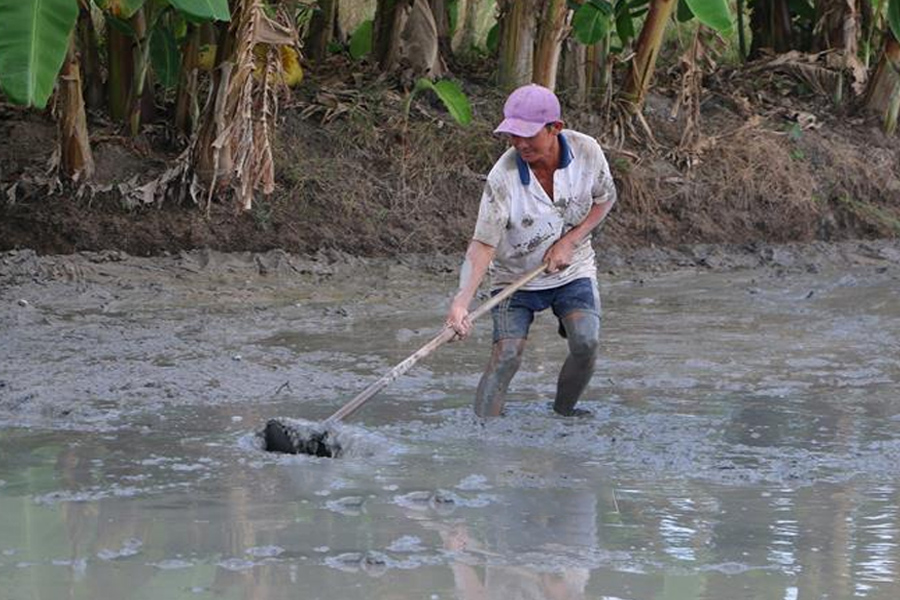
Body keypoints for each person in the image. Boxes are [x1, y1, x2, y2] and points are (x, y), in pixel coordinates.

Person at [445, 83, 617, 418]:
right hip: (514, 277)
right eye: (513, 135)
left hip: (572, 269)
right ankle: (483, 431)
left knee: (586, 342)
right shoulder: (502, 177)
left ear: (555, 128)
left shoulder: (587, 151)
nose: (520, 144)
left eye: (528, 135)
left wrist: (570, 240)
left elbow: (605, 198)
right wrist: (461, 303)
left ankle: (564, 415)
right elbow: (483, 245)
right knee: (506, 356)